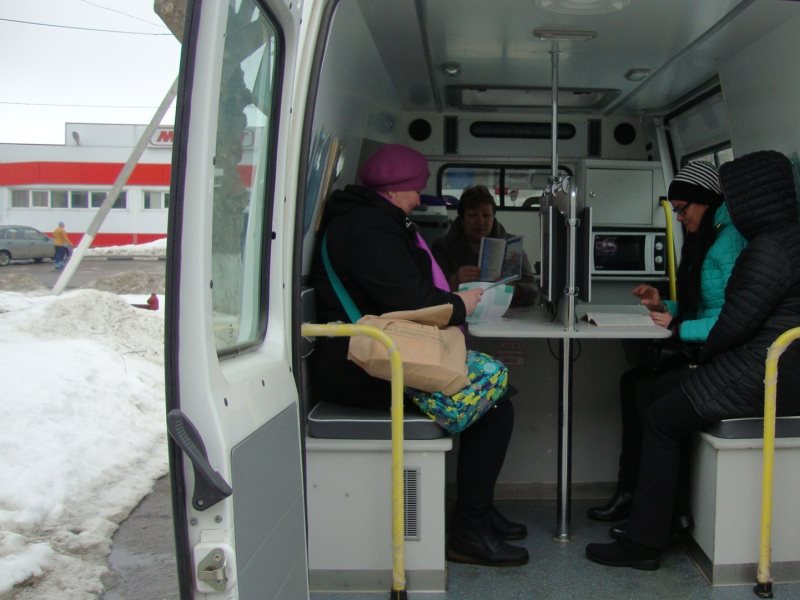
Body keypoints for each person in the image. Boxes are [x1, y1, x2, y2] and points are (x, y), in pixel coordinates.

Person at [310, 144, 529, 567]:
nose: (419, 197)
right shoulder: (368, 228)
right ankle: (469, 529)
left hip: (367, 354)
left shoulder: (367, 219)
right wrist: (461, 304)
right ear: (394, 190)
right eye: (414, 189)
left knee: (498, 394)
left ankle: (479, 510)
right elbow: (409, 296)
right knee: (495, 406)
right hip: (362, 365)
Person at [586, 150, 800, 570]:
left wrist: (687, 343)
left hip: (768, 370)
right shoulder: (786, 239)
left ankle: (645, 542)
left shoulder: (765, 250)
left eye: (683, 209)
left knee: (663, 414)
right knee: (651, 393)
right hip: (774, 364)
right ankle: (663, 517)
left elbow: (733, 325)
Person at [587, 161, 746, 525]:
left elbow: (732, 319)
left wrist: (677, 327)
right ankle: (630, 491)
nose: (679, 218)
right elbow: (701, 305)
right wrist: (663, 306)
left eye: (682, 210)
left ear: (704, 201)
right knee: (632, 383)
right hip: (704, 348)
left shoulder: (728, 243)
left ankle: (659, 509)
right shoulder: (707, 238)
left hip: (722, 358)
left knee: (649, 392)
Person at [432, 185, 537, 307]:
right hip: (459, 315)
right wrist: (455, 280)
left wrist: (511, 290)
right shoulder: (442, 247)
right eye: (472, 215)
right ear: (462, 219)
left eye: (486, 215)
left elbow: (533, 289)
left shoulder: (511, 245)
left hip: (505, 319)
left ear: (493, 217)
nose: (480, 222)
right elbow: (429, 291)